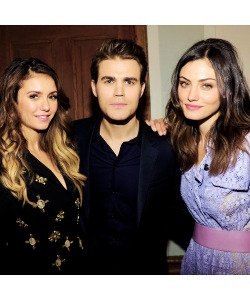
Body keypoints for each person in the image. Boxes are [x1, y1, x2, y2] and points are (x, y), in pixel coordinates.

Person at [74, 39, 185, 274]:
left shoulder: (167, 147)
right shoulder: (68, 139)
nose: (119, 92)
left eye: (129, 81)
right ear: (94, 87)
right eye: (109, 80)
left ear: (142, 89)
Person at [151, 38, 250, 275]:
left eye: (206, 85)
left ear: (227, 90)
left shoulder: (246, 143)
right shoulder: (180, 141)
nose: (191, 95)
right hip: (196, 260)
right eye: (185, 83)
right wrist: (150, 132)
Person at [0, 58, 87, 274]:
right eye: (34, 96)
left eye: (52, 96)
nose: (46, 106)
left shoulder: (64, 150)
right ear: (12, 101)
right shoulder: (4, 161)